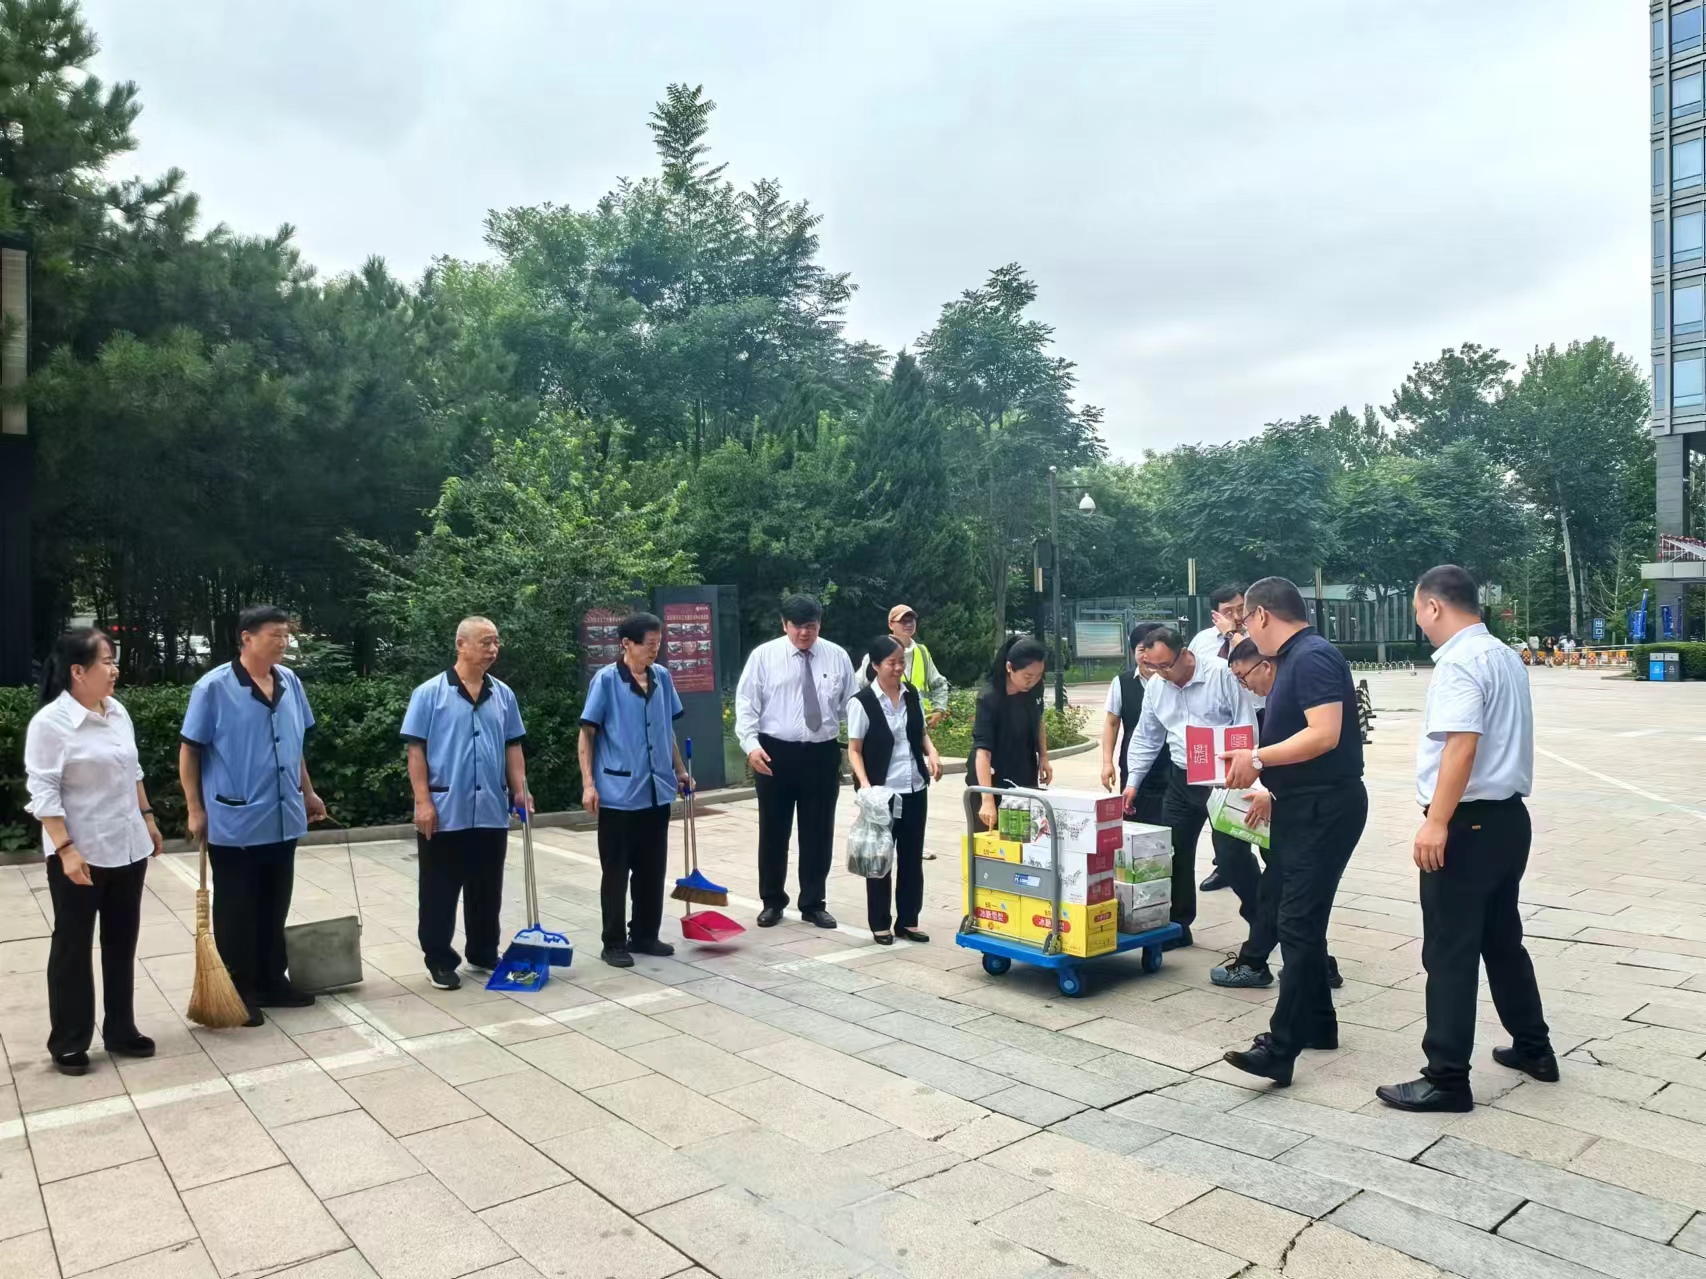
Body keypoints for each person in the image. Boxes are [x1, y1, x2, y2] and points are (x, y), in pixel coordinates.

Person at [1376, 566, 1554, 1112]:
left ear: (1433, 606)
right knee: (1501, 940)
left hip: (1467, 823)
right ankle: (1535, 1048)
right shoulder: (1503, 655)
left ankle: (1447, 1078)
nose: (1420, 623)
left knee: (1450, 950)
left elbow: (1462, 745)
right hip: (1507, 821)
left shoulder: (1458, 661)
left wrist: (1437, 821)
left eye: (1418, 611)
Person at [1220, 577, 1366, 1087]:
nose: (1245, 631)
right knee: (1303, 921)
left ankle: (1280, 1048)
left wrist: (1258, 759)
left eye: (1245, 620)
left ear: (1261, 615)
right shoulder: (1296, 658)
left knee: (1298, 924)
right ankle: (1319, 1024)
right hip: (1304, 805)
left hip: (1324, 809)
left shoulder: (1311, 657)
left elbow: (1324, 735)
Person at [25, 629, 164, 1075]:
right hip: (80, 852)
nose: (114, 669)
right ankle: (69, 1039)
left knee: (121, 941)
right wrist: (66, 849)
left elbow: (132, 769)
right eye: (106, 661)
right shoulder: (51, 723)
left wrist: (147, 817)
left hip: (128, 845)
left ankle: (121, 1029)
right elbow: (44, 792)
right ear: (78, 671)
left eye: (113, 660)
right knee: (73, 945)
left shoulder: (117, 711)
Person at [180, 605, 326, 1026]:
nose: (283, 642)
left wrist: (308, 792)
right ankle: (238, 990)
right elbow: (190, 751)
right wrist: (194, 808)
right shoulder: (214, 688)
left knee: (274, 904)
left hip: (283, 817)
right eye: (275, 635)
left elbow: (294, 746)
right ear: (246, 637)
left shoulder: (290, 682)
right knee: (236, 910)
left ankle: (271, 981)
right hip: (236, 822)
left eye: (286, 635)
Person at [402, 617, 531, 990]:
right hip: (446, 808)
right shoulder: (430, 693)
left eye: (496, 642)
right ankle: (440, 961)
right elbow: (416, 751)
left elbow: (513, 746)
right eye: (485, 642)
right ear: (461, 644)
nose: (493, 649)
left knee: (487, 888)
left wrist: (520, 789)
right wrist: (422, 801)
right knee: (439, 890)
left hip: (490, 807)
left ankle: (484, 952)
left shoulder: (503, 694)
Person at [1211, 639, 1342, 996]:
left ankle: (1256, 963)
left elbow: (1313, 752)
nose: (1244, 685)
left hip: (1306, 811)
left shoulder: (1298, 695)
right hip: (1290, 807)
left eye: (1244, 676)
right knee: (1292, 898)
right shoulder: (1276, 700)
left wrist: (1267, 788)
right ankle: (1318, 967)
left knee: (1282, 894)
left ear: (1266, 666)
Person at [1119, 628, 1261, 949]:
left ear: (1184, 654)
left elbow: (1246, 725)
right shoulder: (1157, 686)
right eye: (1152, 667)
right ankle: (1178, 925)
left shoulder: (1221, 675)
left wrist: (1245, 770)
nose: (1160, 673)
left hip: (1225, 779)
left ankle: (1263, 921)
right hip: (1182, 778)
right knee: (1173, 853)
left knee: (1232, 857)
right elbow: (1147, 736)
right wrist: (1132, 782)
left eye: (1165, 665)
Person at [735, 595, 857, 929]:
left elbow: (852, 706)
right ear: (784, 624)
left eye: (811, 626)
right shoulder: (764, 657)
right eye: (798, 626)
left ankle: (813, 903)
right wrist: (751, 746)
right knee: (774, 830)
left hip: (821, 753)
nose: (805, 633)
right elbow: (746, 704)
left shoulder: (837, 656)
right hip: (775, 754)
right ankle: (772, 900)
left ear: (820, 623)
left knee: (818, 831)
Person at [579, 612, 691, 967]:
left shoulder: (662, 677)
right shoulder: (606, 680)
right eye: (649, 644)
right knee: (616, 871)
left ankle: (644, 934)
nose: (655, 651)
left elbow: (665, 729)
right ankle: (613, 942)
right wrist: (588, 784)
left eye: (659, 644)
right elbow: (587, 734)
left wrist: (679, 770)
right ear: (627, 644)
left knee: (652, 868)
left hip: (656, 790)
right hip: (619, 793)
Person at [848, 636, 944, 945]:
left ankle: (909, 921)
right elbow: (854, 749)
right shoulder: (862, 702)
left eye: (902, 661)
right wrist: (865, 784)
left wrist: (932, 753)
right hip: (882, 794)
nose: (899, 667)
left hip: (914, 787)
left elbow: (920, 733)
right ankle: (880, 924)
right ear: (876, 665)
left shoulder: (911, 694)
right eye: (892, 662)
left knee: (912, 858)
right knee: (880, 859)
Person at [972, 636, 1052, 832]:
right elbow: (982, 751)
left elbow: (1039, 720)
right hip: (992, 780)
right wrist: (988, 799)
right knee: (994, 842)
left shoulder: (1034, 689)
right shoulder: (990, 698)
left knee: (1025, 838)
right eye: (1027, 676)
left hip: (1024, 773)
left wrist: (1043, 757)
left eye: (1038, 675)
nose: (1033, 681)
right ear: (1009, 667)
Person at [1099, 622, 1171, 827]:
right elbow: (1112, 723)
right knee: (1134, 821)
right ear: (1133, 652)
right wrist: (1107, 762)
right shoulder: (1122, 682)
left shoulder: (1174, 682)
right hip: (1134, 763)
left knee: (1169, 823)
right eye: (1141, 650)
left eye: (1153, 650)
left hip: (1171, 764)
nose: (1148, 657)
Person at [858, 605, 951, 726]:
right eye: (903, 621)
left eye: (911, 620)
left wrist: (939, 709)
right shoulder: (877, 653)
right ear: (890, 624)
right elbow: (858, 686)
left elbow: (939, 684)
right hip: (884, 726)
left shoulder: (922, 652)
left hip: (918, 725)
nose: (908, 624)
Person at [1190, 584, 1247, 663]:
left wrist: (1230, 634)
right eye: (1228, 611)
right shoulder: (1201, 640)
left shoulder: (1255, 636)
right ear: (1215, 614)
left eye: (1241, 609)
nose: (1236, 617)